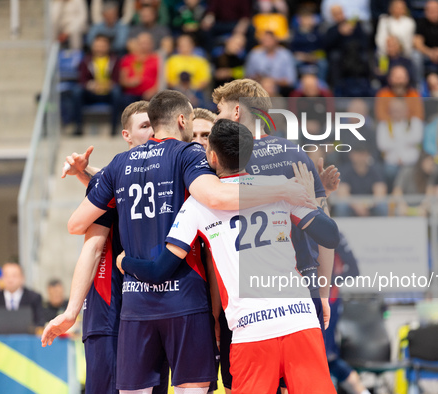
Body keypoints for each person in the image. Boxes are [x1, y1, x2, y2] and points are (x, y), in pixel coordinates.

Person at [66, 90, 312, 394]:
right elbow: (216, 195)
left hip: (137, 303)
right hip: (190, 299)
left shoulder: (119, 166)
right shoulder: (189, 159)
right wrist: (283, 188)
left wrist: (94, 180)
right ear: (182, 120)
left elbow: (75, 224)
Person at [116, 119, 338, 393]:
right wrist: (308, 199)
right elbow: (330, 236)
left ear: (211, 156)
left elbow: (161, 269)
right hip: (300, 320)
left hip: (251, 330)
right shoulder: (278, 187)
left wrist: (123, 261)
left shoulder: (198, 204)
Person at [212, 78, 340, 394]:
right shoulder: (294, 152)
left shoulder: (228, 162)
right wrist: (322, 293)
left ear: (237, 111)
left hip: (249, 301)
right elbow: (324, 229)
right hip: (300, 290)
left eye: (220, 111)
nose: (217, 120)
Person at [42, 101, 168, 394]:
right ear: (126, 135)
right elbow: (91, 244)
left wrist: (90, 175)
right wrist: (71, 312)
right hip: (109, 308)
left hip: (155, 310)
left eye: (155, 125)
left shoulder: (165, 177)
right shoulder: (115, 180)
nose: (152, 132)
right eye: (144, 126)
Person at [73, 34, 122, 136]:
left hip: (108, 93)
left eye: (103, 45)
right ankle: (78, 127)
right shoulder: (86, 60)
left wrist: (106, 85)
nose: (100, 48)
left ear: (108, 47)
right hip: (91, 93)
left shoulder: (115, 60)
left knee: (117, 91)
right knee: (77, 91)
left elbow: (117, 80)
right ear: (93, 46)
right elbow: (82, 80)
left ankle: (114, 129)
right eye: (98, 45)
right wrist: (91, 85)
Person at [0, 263, 43, 334]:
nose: (10, 280)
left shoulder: (34, 297)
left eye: (14, 276)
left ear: (22, 278)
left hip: (26, 341)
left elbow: (40, 322)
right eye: (6, 276)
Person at [324, 5, 372, 97]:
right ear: (332, 16)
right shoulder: (332, 30)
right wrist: (339, 33)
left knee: (365, 56)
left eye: (340, 13)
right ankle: (336, 87)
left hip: (355, 53)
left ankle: (367, 83)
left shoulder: (355, 25)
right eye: (335, 14)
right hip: (341, 55)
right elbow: (327, 46)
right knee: (335, 57)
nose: (339, 16)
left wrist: (352, 32)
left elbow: (365, 42)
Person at [376, 97, 424, 185]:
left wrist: (395, 142)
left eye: (399, 110)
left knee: (413, 172)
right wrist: (405, 142)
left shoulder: (415, 123)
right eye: (393, 110)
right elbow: (382, 145)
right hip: (391, 162)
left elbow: (417, 139)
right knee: (389, 172)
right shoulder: (383, 125)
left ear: (406, 110)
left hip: (411, 161)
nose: (396, 113)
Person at [334, 146, 388, 217]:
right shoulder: (345, 171)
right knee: (342, 207)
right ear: (351, 155)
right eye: (358, 154)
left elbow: (380, 192)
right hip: (352, 204)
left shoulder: (375, 170)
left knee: (382, 206)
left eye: (363, 154)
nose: (360, 158)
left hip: (371, 204)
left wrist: (367, 206)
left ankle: (382, 227)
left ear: (368, 155)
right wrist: (357, 206)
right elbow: (343, 193)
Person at [245, 30, 297, 96]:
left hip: (281, 90)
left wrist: (273, 81)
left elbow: (291, 80)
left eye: (269, 40)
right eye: (264, 40)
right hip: (258, 89)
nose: (267, 42)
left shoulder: (285, 55)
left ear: (275, 40)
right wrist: (258, 78)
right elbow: (247, 77)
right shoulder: (254, 54)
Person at [119, 32, 159, 106]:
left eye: (147, 43)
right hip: (131, 95)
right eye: (141, 43)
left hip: (151, 95)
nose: (144, 46)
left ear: (152, 44)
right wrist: (129, 82)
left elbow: (161, 79)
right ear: (136, 44)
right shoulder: (127, 59)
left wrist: (153, 91)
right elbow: (122, 81)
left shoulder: (157, 59)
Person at [290, 8, 327, 80]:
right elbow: (292, 50)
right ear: (300, 20)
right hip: (300, 58)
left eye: (310, 18)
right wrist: (304, 57)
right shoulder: (295, 34)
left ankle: (321, 83)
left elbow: (322, 50)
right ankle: (295, 85)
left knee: (323, 63)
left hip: (314, 57)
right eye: (305, 18)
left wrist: (313, 57)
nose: (308, 20)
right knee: (293, 63)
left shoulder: (318, 33)